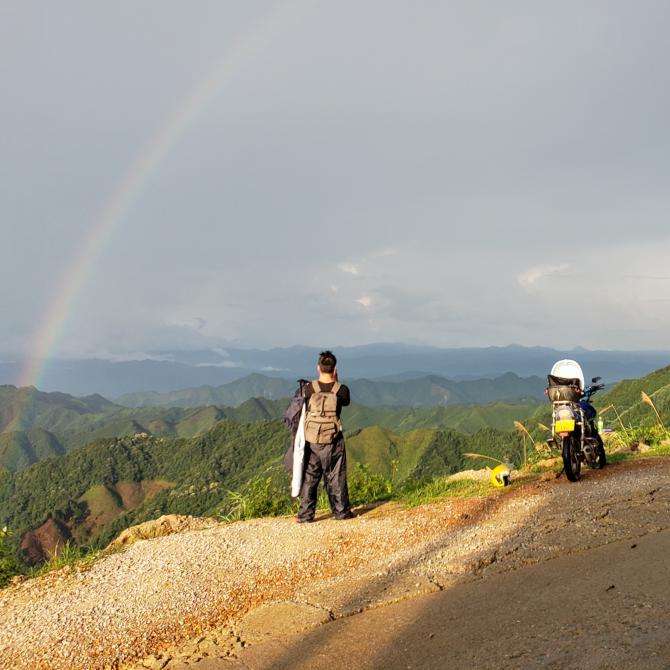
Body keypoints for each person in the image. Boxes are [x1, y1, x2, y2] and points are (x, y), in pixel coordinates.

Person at [296, 350, 354, 523]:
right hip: (333, 441)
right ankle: (341, 512)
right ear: (335, 369)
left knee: (310, 477)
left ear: (318, 368)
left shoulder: (308, 389)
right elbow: (345, 402)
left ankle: (305, 515)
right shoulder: (341, 390)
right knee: (336, 476)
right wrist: (336, 381)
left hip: (312, 440)